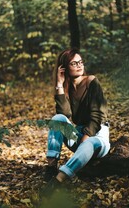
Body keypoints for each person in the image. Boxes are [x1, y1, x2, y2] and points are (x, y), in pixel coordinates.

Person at [45, 48, 110, 191]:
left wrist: (84, 141)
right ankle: (51, 167)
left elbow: (97, 116)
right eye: (74, 63)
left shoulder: (91, 81)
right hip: (79, 135)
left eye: (81, 62)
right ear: (64, 68)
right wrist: (60, 85)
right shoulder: (67, 88)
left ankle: (58, 180)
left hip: (98, 136)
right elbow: (64, 114)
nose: (79, 65)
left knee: (89, 143)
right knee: (57, 119)